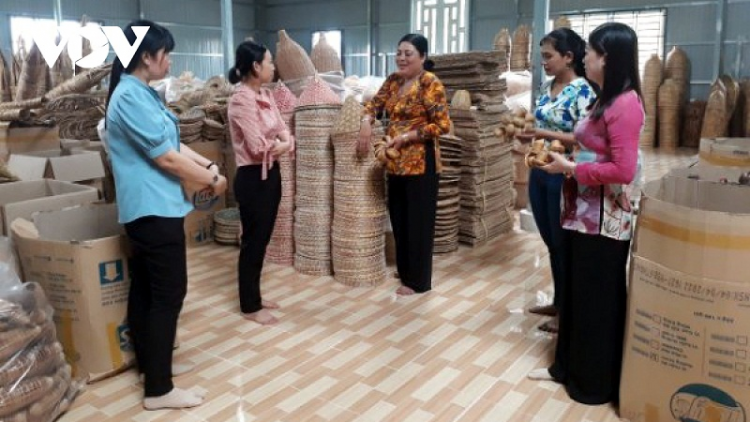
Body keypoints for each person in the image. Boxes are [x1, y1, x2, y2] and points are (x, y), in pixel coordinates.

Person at [106, 20, 227, 410]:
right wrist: (213, 181)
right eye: (166, 54)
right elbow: (167, 159)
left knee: (147, 290)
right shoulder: (128, 97)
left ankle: (150, 369)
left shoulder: (145, 94)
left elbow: (174, 144)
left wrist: (209, 170)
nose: (170, 61)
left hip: (158, 208)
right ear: (146, 56)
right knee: (168, 294)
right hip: (151, 210)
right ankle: (159, 390)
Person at [528, 22, 644, 406]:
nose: (587, 57)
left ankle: (592, 383)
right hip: (581, 212)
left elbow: (624, 171)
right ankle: (565, 368)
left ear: (606, 58)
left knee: (597, 301)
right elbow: (592, 150)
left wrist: (571, 169)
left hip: (604, 221)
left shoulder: (626, 104)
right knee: (577, 295)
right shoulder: (602, 100)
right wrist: (565, 161)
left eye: (591, 52)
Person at [359, 33, 451, 296]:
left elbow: (442, 125)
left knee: (418, 222)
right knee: (399, 218)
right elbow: (372, 105)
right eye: (399, 52)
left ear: (422, 57)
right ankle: (406, 270)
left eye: (408, 53)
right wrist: (366, 122)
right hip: (395, 161)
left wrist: (407, 136)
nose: (401, 58)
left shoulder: (429, 83)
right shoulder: (393, 81)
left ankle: (418, 281)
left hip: (422, 162)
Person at [516, 28, 594, 333]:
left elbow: (584, 138)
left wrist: (542, 134)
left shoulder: (583, 91)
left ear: (569, 57)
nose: (544, 62)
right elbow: (538, 123)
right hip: (540, 169)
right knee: (551, 240)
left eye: (549, 56)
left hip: (564, 172)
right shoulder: (548, 87)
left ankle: (569, 311)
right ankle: (559, 301)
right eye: (542, 56)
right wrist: (526, 133)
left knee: (564, 242)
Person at [227, 41, 293, 324]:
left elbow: (284, 131)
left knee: (262, 240)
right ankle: (250, 305)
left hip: (271, 174)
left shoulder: (266, 94)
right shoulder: (241, 99)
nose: (273, 66)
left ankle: (254, 293)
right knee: (253, 241)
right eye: (269, 62)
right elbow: (256, 146)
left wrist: (284, 143)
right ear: (255, 66)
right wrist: (282, 145)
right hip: (253, 177)